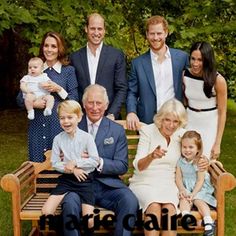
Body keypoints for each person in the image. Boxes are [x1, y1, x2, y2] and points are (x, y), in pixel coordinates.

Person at [61, 84, 139, 236]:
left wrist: (98, 161)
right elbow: (63, 159)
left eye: (99, 103)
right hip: (78, 185)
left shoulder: (116, 130)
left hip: (107, 186)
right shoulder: (71, 126)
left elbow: (122, 166)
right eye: (90, 102)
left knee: (129, 200)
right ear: (83, 105)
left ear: (106, 105)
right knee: (69, 203)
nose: (95, 107)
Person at [17, 31, 78, 162]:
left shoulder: (68, 71)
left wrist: (59, 89)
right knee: (38, 166)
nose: (49, 50)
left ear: (60, 49)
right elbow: (19, 99)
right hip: (37, 126)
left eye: (53, 46)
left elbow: (75, 100)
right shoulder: (34, 68)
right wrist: (33, 104)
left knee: (60, 167)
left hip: (59, 127)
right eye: (46, 45)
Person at [129, 98, 187, 236]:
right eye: (168, 120)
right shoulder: (148, 131)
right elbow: (138, 166)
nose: (171, 125)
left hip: (168, 183)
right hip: (144, 182)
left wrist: (203, 159)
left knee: (169, 208)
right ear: (161, 118)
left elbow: (197, 148)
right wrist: (151, 156)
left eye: (176, 121)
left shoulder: (181, 134)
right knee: (154, 205)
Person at [42, 100, 99, 235]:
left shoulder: (87, 138)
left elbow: (95, 160)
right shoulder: (58, 139)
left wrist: (76, 162)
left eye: (70, 117)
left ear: (79, 117)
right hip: (66, 180)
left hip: (85, 181)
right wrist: (72, 169)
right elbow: (55, 163)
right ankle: (65, 229)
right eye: (62, 118)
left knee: (89, 221)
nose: (66, 121)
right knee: (46, 212)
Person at [126, 15, 189, 129]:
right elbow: (132, 92)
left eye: (159, 33)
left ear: (166, 33)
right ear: (147, 34)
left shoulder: (182, 58)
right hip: (148, 121)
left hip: (176, 121)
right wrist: (131, 112)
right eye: (152, 33)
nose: (155, 38)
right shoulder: (138, 63)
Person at [70, 13, 127, 120]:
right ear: (86, 29)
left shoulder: (116, 55)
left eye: (99, 29)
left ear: (104, 30)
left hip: (109, 118)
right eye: (92, 28)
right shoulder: (75, 57)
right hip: (82, 119)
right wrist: (78, 113)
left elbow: (122, 88)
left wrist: (112, 114)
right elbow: (74, 89)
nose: (96, 33)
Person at [183, 41, 227, 159]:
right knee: (186, 162)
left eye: (200, 60)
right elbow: (185, 101)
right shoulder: (185, 75)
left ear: (207, 60)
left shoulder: (218, 80)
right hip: (190, 122)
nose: (195, 63)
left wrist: (217, 143)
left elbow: (222, 113)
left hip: (209, 125)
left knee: (205, 163)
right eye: (193, 59)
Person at [176, 130, 216, 236]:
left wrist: (193, 194)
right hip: (186, 188)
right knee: (183, 198)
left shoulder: (200, 161)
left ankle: (208, 221)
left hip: (199, 188)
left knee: (198, 200)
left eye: (191, 147)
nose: (187, 150)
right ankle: (186, 217)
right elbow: (178, 178)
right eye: (184, 147)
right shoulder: (180, 161)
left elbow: (200, 180)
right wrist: (182, 190)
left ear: (198, 149)